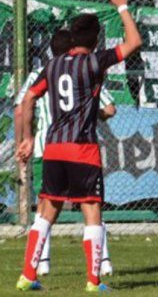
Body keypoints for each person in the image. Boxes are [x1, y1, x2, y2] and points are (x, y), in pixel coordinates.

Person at [15, 0, 142, 292]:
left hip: (55, 147)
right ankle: (93, 281)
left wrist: (28, 138)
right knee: (92, 210)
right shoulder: (95, 62)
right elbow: (134, 42)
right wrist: (122, 8)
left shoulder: (52, 65)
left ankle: (28, 276)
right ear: (96, 40)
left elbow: (28, 100)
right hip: (83, 149)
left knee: (47, 209)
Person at [13, 29, 116, 278]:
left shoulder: (40, 73)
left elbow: (21, 107)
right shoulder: (84, 71)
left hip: (45, 149)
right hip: (79, 146)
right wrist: (92, 116)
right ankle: (102, 264)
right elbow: (110, 108)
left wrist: (22, 142)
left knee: (45, 206)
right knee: (90, 204)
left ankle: (40, 264)